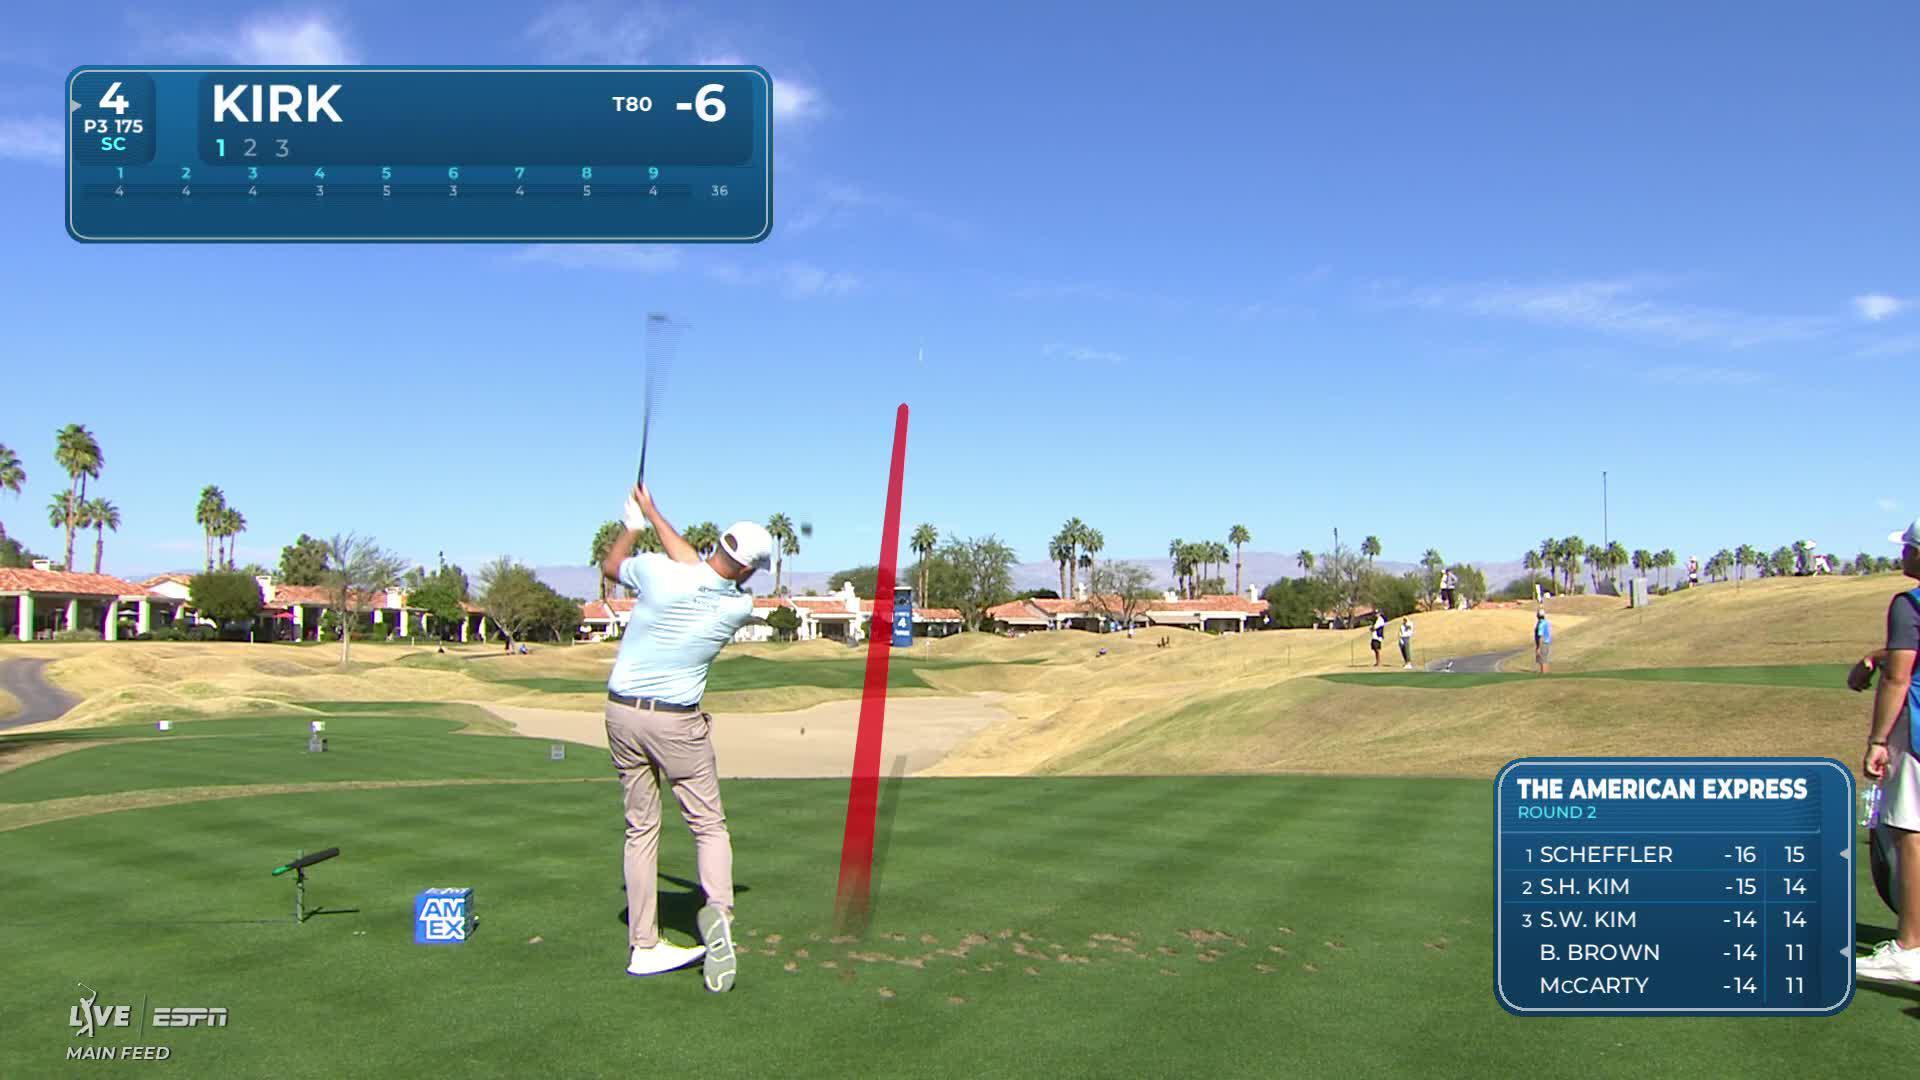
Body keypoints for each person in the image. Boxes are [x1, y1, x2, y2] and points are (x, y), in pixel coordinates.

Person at [597, 483, 773, 992]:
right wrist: (654, 514)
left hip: (621, 714)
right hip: (677, 725)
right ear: (750, 571)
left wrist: (635, 523)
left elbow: (613, 566)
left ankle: (644, 945)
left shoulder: (657, 573)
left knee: (640, 830)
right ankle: (719, 913)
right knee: (708, 826)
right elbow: (700, 568)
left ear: (719, 543)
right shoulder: (737, 607)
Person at [1855, 517, 1920, 983]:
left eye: (1908, 547)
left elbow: (1899, 677)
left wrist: (1877, 741)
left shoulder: (1908, 604)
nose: (1903, 554)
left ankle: (1910, 947)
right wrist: (1876, 655)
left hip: (1916, 733)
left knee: (1910, 834)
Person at [1534, 609, 1552, 674]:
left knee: (1542, 660)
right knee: (1545, 659)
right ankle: (1546, 673)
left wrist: (1538, 647)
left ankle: (1543, 673)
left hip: (1542, 643)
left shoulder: (1541, 624)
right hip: (1547, 642)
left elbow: (1540, 636)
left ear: (1538, 616)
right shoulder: (1547, 622)